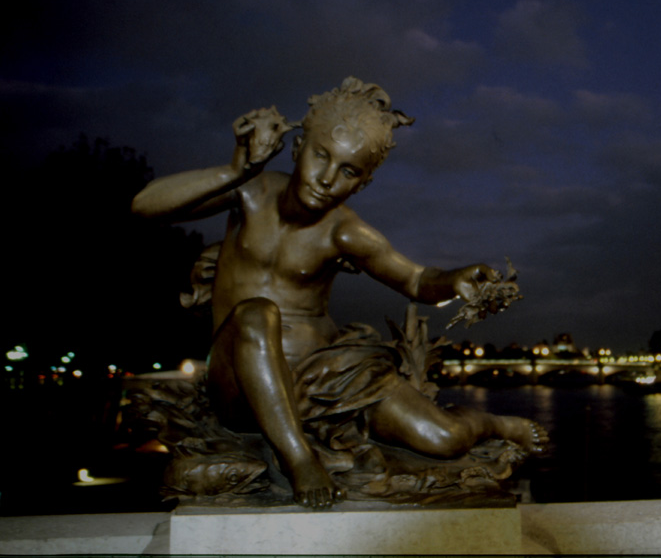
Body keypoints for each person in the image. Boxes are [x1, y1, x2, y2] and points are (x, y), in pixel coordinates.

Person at [132, 77, 546, 508]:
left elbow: (416, 280)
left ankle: (496, 425)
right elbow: (144, 206)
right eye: (321, 156)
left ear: (361, 183)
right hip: (239, 381)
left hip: (327, 377)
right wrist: (237, 169)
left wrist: (454, 278)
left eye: (348, 171)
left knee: (443, 437)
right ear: (297, 149)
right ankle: (298, 458)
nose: (327, 178)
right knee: (257, 313)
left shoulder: (346, 231)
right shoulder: (251, 192)